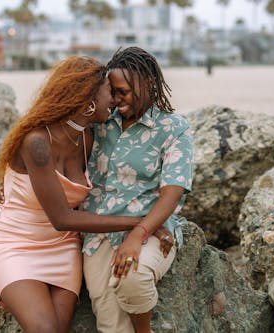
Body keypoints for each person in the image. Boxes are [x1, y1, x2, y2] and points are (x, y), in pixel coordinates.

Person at [0, 55, 172, 333]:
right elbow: (62, 217)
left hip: (63, 248)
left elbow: (132, 170)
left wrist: (161, 217)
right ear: (89, 97)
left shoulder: (89, 138)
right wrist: (142, 224)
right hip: (17, 244)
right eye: (110, 91)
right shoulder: (37, 142)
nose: (116, 100)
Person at [81, 47, 194, 333]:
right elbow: (58, 134)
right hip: (99, 235)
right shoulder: (103, 121)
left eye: (124, 92)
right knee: (109, 322)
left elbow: (172, 192)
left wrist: (140, 233)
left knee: (133, 277)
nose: (117, 100)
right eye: (113, 92)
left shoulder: (173, 129)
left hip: (151, 230)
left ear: (149, 84)